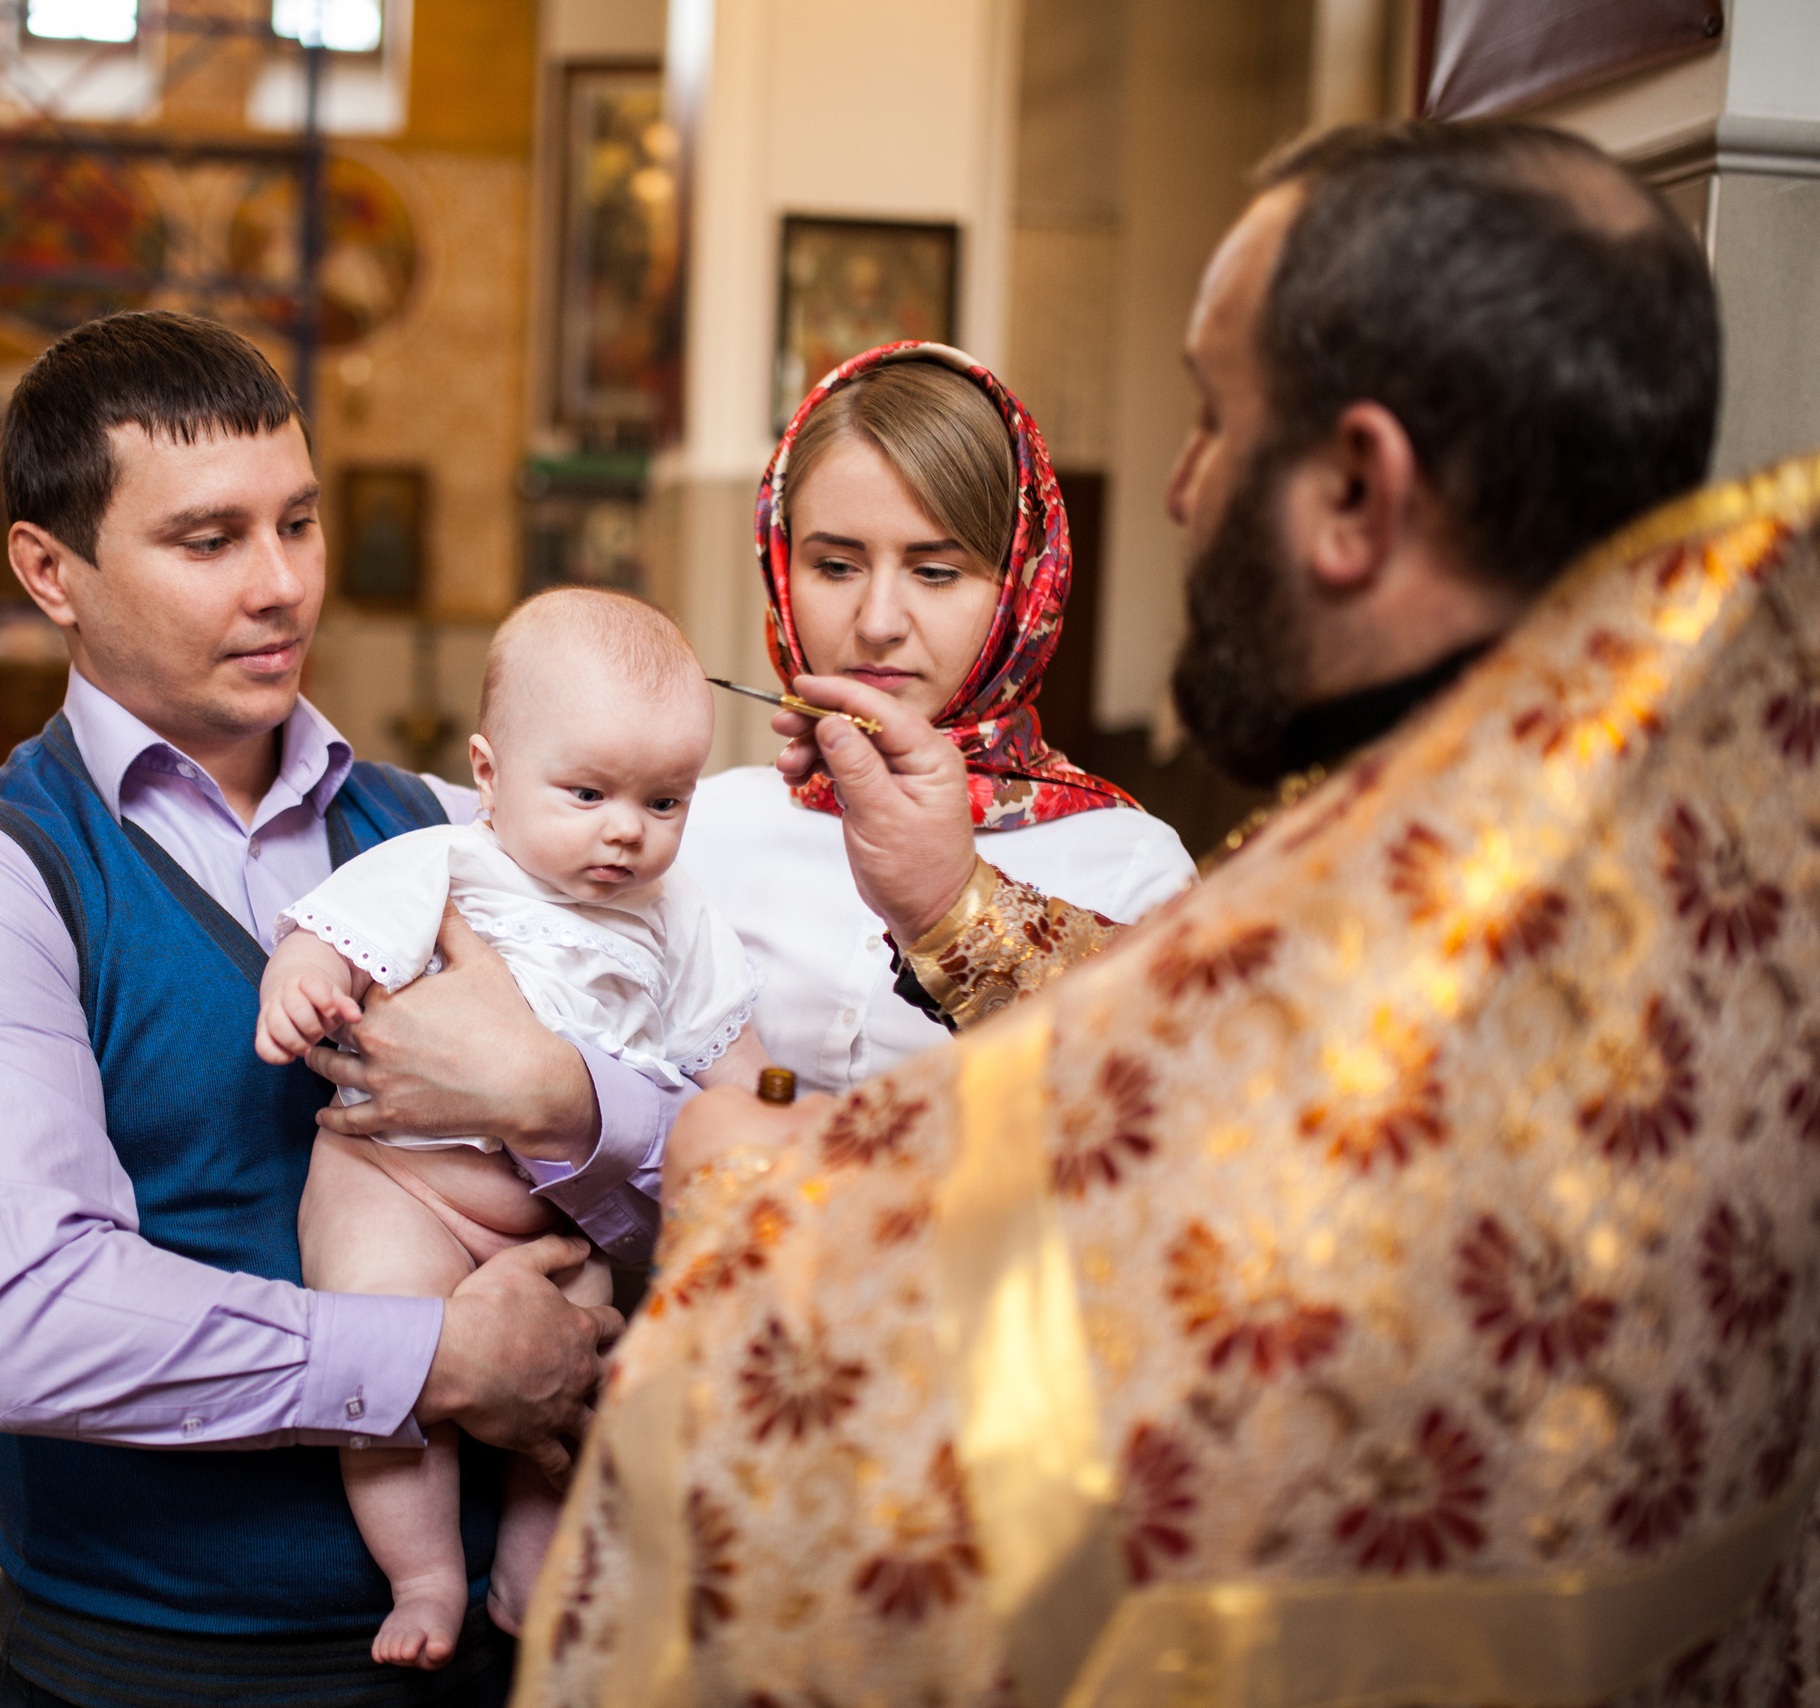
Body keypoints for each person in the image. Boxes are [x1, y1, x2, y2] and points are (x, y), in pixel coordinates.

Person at [516, 121, 1820, 1708]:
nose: (1183, 488)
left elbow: (1033, 1426)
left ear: (1355, 490)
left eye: (1214, 420)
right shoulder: (1729, 865)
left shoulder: (1396, 923)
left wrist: (733, 1200)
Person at [0, 311, 667, 1708]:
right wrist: (432, 1362)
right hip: (168, 1672)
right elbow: (29, 1321)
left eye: (300, 523)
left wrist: (566, 1106)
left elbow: (687, 1136)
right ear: (51, 571)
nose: (282, 585)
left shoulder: (456, 831)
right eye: (209, 540)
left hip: (514, 1651)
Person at [259, 589, 766, 1670]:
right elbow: (328, 934)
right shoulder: (449, 863)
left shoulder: (681, 918)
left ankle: (533, 1575)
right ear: (489, 773)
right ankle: (426, 1573)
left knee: (581, 1373)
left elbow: (733, 1060)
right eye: (585, 792)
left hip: (554, 1221)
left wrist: (751, 1101)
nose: (626, 830)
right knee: (383, 1343)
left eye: (665, 800)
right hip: (399, 1182)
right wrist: (300, 983)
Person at [676, 344, 1193, 1090]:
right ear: (781, 568)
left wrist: (958, 906)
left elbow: (1162, 1131)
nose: (878, 621)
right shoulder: (697, 830)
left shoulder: (1129, 870)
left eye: (936, 572)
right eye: (835, 566)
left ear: (1023, 587)